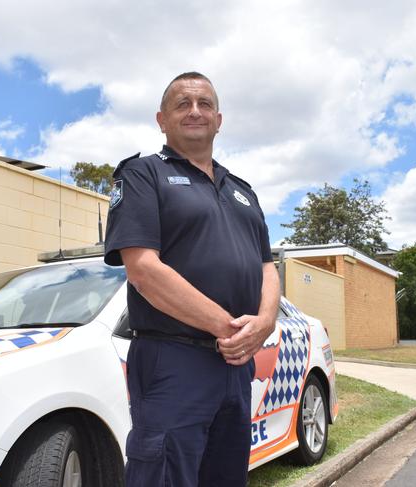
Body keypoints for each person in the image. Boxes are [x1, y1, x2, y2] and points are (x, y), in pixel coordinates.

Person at [104, 72, 280, 487]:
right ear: (161, 119)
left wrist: (266, 323)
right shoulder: (143, 175)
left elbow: (266, 267)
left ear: (219, 119)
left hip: (234, 366)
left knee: (225, 477)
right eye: (183, 104)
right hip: (173, 359)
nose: (195, 111)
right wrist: (231, 328)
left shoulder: (243, 191)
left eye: (204, 104)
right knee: (165, 476)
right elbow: (143, 268)